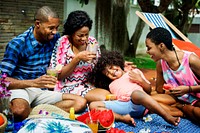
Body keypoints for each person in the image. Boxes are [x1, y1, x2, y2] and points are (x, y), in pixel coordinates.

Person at [0, 6, 86, 122]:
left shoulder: (54, 39)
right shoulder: (18, 44)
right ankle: (33, 111)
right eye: (51, 28)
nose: (55, 32)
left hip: (43, 91)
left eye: (56, 28)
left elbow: (72, 43)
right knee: (19, 110)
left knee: (80, 102)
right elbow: (2, 80)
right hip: (22, 88)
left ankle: (34, 111)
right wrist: (33, 83)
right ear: (37, 24)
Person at [88, 50, 180, 126]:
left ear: (117, 63)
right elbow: (115, 97)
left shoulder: (134, 72)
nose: (112, 72)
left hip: (138, 103)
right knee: (93, 105)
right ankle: (123, 118)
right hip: (124, 107)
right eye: (107, 73)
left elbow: (148, 90)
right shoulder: (111, 85)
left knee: (136, 94)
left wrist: (141, 80)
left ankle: (166, 116)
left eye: (112, 67)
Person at [50, 10, 111, 103]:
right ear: (71, 33)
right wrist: (77, 58)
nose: (84, 39)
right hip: (67, 86)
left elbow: (99, 66)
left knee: (109, 94)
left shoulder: (92, 42)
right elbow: (59, 76)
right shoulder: (63, 43)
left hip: (89, 85)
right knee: (104, 97)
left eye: (86, 34)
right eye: (80, 35)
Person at [145, 27, 200, 123]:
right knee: (147, 102)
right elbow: (159, 90)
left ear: (161, 46)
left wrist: (188, 89)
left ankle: (183, 109)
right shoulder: (160, 65)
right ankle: (184, 109)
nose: (147, 51)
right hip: (181, 100)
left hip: (195, 99)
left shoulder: (191, 60)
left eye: (149, 48)